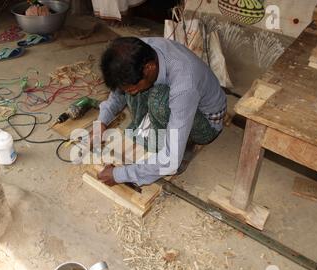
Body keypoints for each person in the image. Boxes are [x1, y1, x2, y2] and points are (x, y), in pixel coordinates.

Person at [91, 37, 227, 187]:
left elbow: (170, 160)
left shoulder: (184, 83)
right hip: (184, 100)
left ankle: (181, 144)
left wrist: (120, 175)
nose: (131, 92)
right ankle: (154, 136)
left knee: (160, 102)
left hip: (208, 121)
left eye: (132, 87)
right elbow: (118, 92)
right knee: (136, 92)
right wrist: (101, 123)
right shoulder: (138, 52)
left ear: (149, 68)